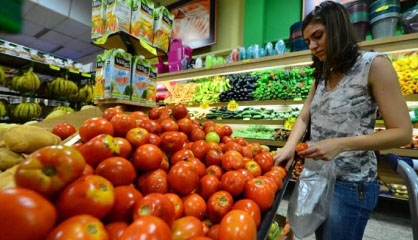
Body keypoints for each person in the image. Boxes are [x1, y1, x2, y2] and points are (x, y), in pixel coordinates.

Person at [274, 1, 412, 240]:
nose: (313, 46)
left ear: (337, 28)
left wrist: (341, 144)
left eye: (318, 36)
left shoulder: (374, 65)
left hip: (351, 184)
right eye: (308, 42)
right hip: (317, 177)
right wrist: (288, 147)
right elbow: (305, 115)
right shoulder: (323, 73)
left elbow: (403, 133)